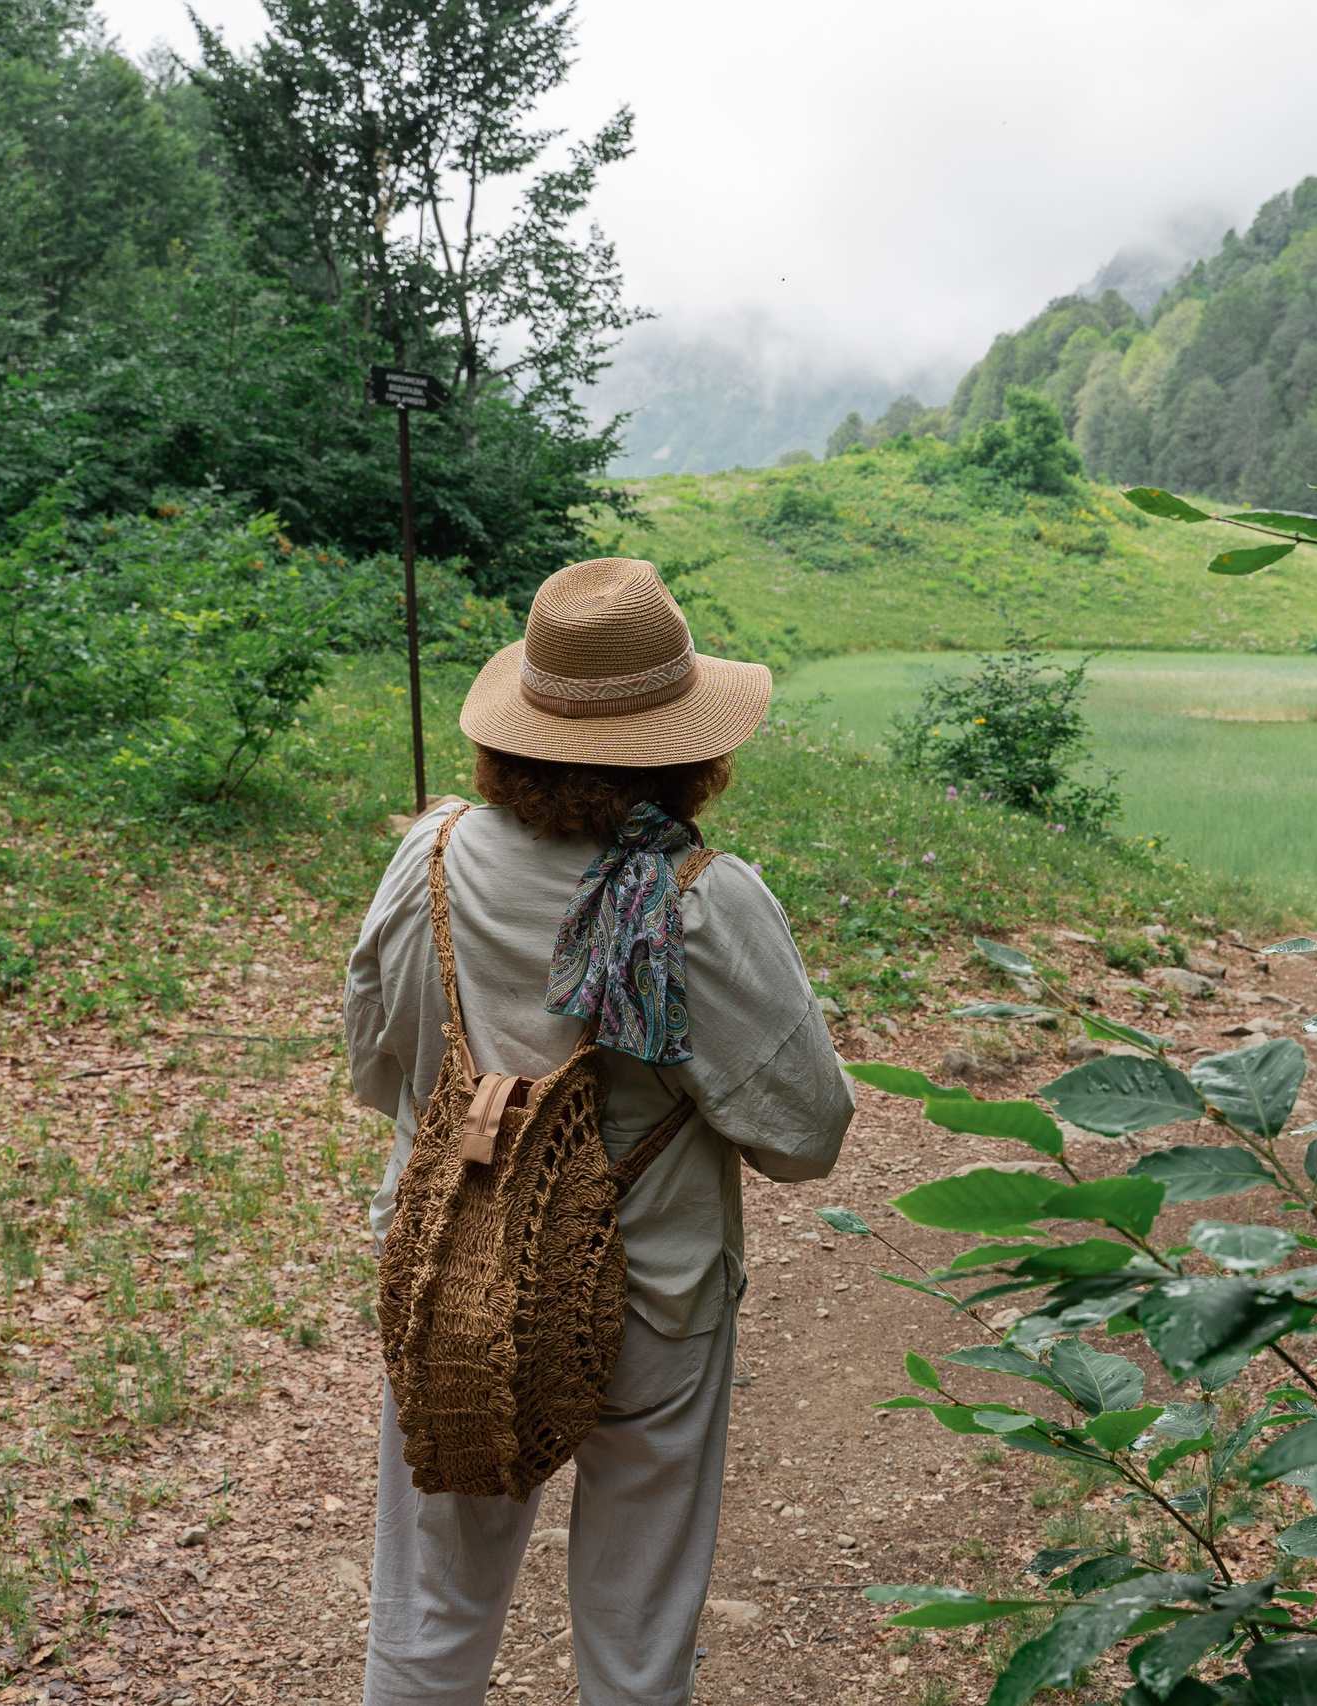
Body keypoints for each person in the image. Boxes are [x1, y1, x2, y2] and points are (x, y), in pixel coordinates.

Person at [342, 558, 854, 1705]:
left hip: (450, 1275)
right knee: (636, 1630)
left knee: (430, 1605)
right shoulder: (703, 900)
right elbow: (804, 1132)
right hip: (652, 1297)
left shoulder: (428, 853)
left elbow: (378, 1063)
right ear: (688, 745)